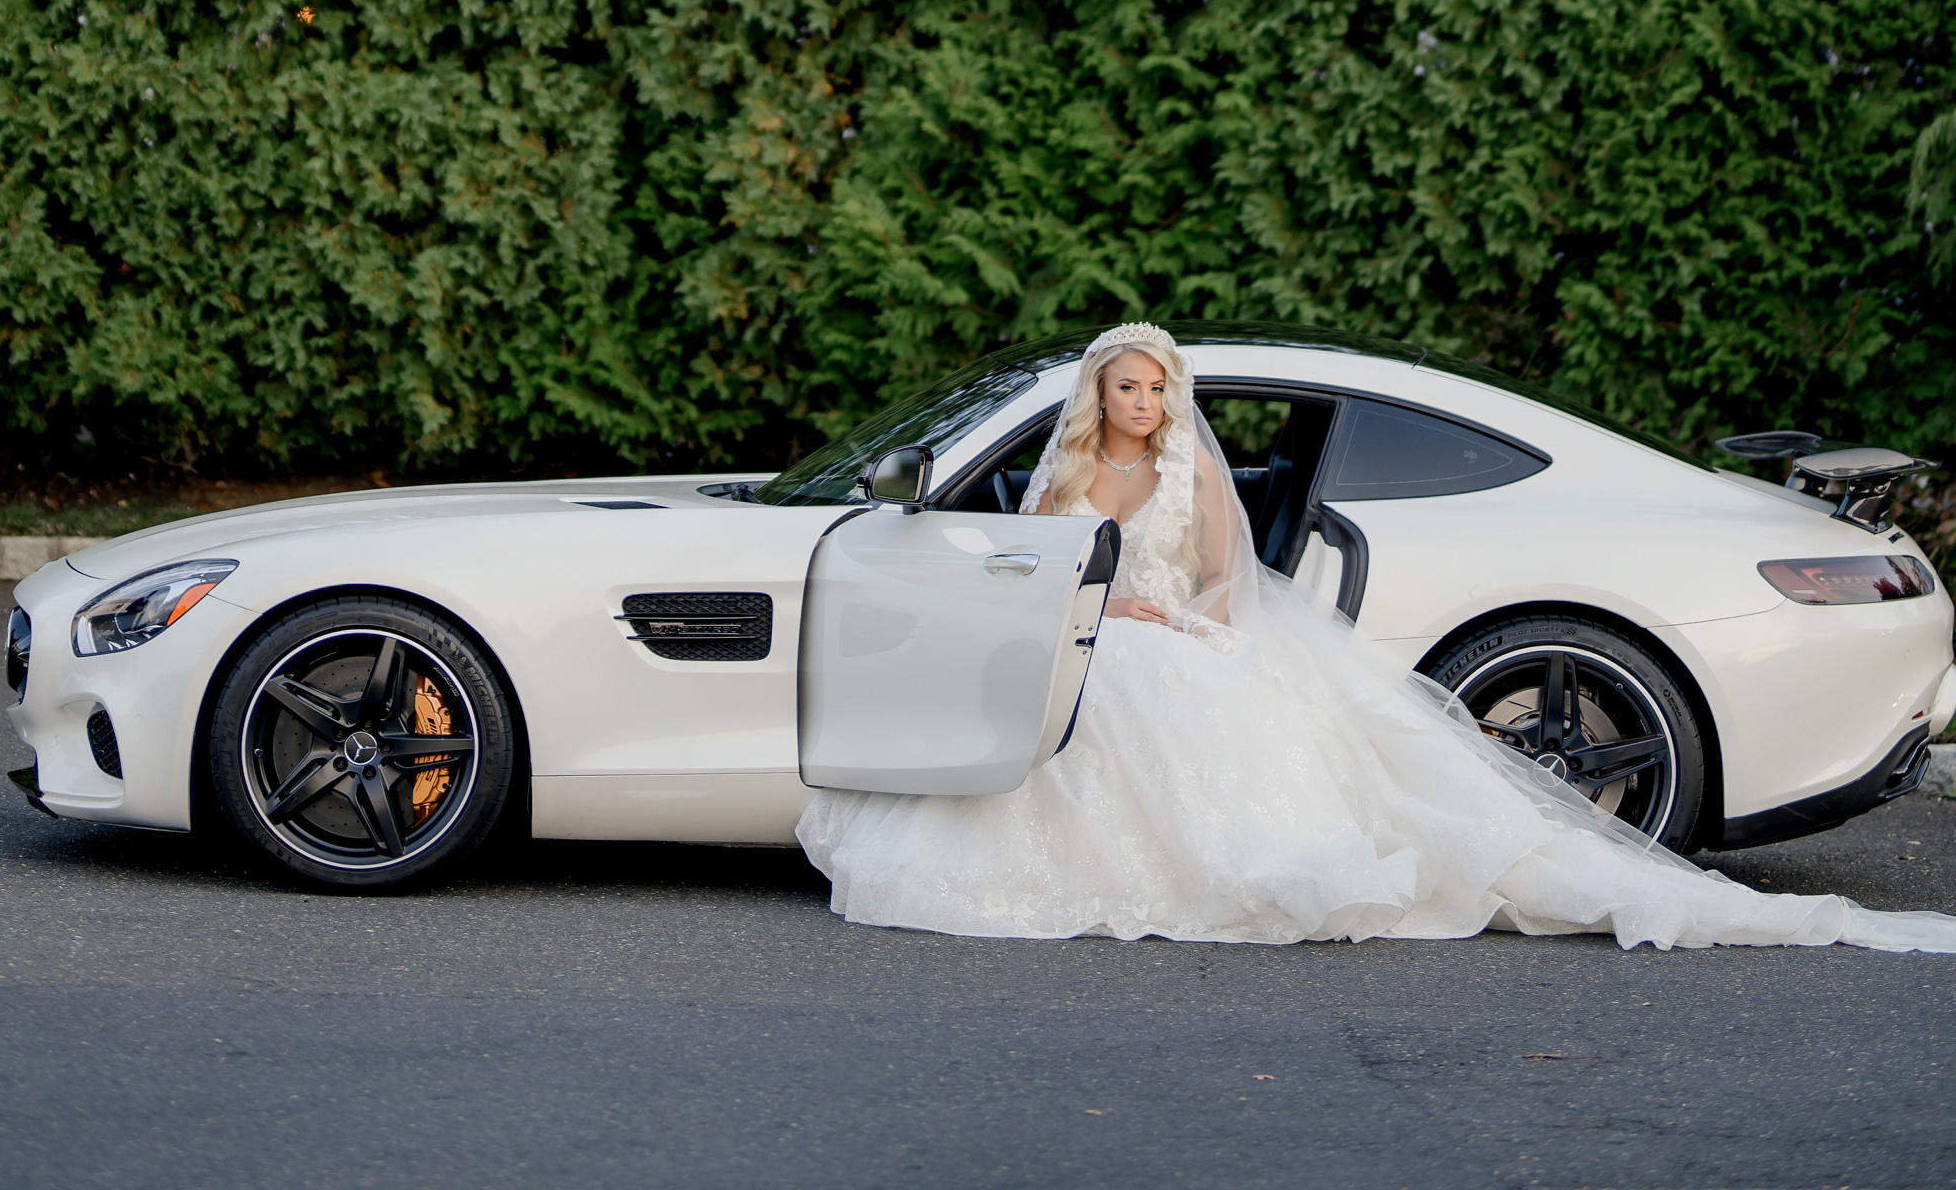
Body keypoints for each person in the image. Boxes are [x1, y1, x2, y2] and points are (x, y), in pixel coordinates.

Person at [797, 322, 1956, 951]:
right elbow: (1030, 575)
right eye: (1125, 388)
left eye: (1156, 389)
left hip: (1155, 641)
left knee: (1137, 689)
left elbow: (1218, 584)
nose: (1140, 404)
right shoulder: (1058, 478)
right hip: (1073, 645)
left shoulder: (1187, 469)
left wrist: (1161, 617)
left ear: (1170, 397)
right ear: (1099, 394)